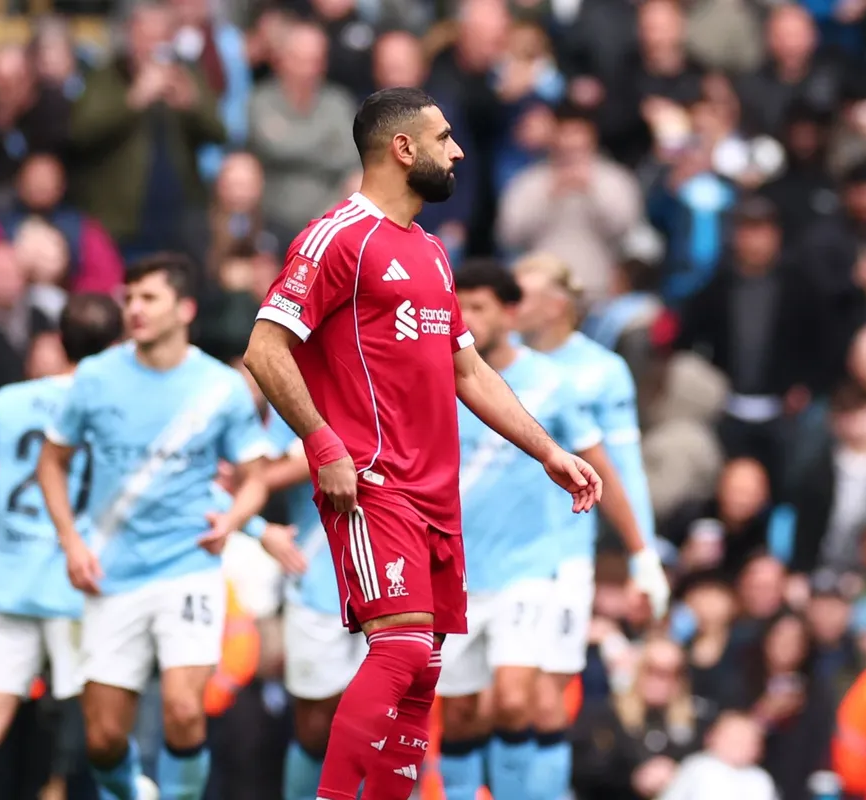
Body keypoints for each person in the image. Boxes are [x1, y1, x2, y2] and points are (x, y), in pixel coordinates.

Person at [242, 86, 603, 800]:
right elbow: (264, 348)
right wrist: (324, 445)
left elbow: (467, 369)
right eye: (443, 138)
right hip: (374, 481)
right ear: (402, 149)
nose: (458, 150)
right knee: (401, 648)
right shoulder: (336, 236)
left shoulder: (433, 254)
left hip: (438, 493)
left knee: (422, 675)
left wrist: (549, 451)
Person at [36, 255, 278, 800]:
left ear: (184, 309)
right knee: (101, 740)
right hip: (110, 572)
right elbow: (51, 462)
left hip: (187, 567)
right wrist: (70, 540)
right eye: (129, 299)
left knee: (184, 711)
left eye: (148, 299)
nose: (134, 310)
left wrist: (235, 517)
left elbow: (256, 477)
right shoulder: (95, 377)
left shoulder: (220, 387)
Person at [435, 259, 618, 799]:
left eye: (479, 307)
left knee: (515, 699)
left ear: (510, 313)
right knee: (463, 712)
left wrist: (637, 547)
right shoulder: (434, 375)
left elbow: (599, 462)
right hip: (458, 570)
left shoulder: (553, 384)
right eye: (458, 306)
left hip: (529, 565)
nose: (465, 317)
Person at [0, 294, 126, 800]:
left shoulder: (9, 401)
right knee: (102, 731)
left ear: (60, 341)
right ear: (116, 347)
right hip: (78, 584)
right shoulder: (116, 410)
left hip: (11, 580)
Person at [513, 251, 672, 798]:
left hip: (564, 549)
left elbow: (621, 467)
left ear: (558, 306)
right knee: (486, 700)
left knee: (543, 694)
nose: (510, 307)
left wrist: (642, 554)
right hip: (493, 547)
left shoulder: (600, 372)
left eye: (523, 296)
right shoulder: (489, 365)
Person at [262, 406, 361, 800]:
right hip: (319, 580)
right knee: (316, 728)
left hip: (399, 581)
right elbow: (253, 475)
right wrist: (331, 449)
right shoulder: (289, 390)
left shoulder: (410, 371)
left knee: (384, 725)